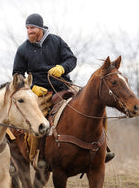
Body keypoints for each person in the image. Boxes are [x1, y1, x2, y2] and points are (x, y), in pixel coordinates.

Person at [12, 13, 115, 163]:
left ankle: (104, 149)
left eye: (32, 28)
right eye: (27, 28)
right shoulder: (23, 49)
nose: (29, 31)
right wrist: (32, 87)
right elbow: (17, 73)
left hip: (64, 85)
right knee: (37, 119)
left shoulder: (57, 41)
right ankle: (38, 157)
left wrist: (62, 68)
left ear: (40, 28)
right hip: (41, 91)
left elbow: (71, 59)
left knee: (95, 106)